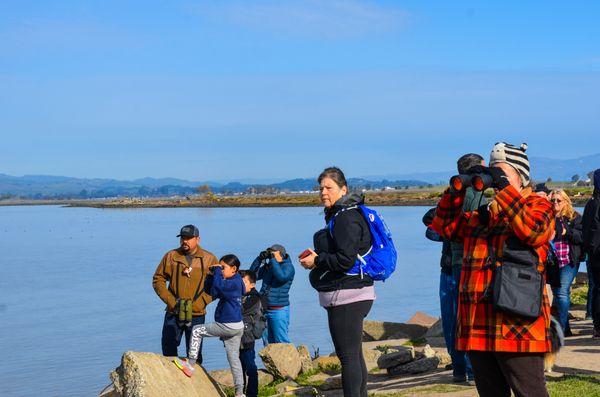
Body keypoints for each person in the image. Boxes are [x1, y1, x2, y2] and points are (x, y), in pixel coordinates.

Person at [432, 142, 554, 397]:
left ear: (521, 178)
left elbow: (534, 231)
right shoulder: (484, 215)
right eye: (492, 172)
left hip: (518, 324)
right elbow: (445, 227)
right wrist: (457, 190)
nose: (495, 179)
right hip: (478, 324)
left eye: (502, 173)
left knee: (530, 393)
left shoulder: (539, 206)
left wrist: (505, 189)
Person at [299, 167, 374, 397]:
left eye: (328, 188)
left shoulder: (345, 217)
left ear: (343, 189)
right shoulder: (343, 214)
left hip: (348, 295)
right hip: (352, 293)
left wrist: (317, 260)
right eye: (320, 188)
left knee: (348, 357)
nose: (323, 192)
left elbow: (345, 259)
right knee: (353, 354)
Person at [174, 254, 246, 397]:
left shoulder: (234, 283)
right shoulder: (234, 280)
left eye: (223, 267)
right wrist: (211, 275)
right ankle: (239, 392)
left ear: (234, 269)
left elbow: (219, 286)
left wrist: (218, 273)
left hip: (228, 325)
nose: (221, 269)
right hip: (237, 327)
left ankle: (190, 365)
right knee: (234, 359)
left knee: (196, 330)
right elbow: (212, 291)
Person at [446, 153, 486, 383]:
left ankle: (460, 369)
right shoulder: (474, 192)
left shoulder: (455, 191)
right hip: (469, 259)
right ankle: (473, 369)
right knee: (471, 315)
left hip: (456, 259)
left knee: (458, 315)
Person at [152, 224, 217, 361]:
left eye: (188, 238)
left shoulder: (209, 259)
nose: (184, 241)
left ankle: (195, 380)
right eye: (182, 238)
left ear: (198, 239)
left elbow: (217, 286)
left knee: (194, 352)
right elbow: (158, 279)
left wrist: (201, 302)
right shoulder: (171, 256)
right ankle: (172, 380)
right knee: (168, 348)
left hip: (197, 313)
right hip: (174, 310)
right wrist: (171, 301)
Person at [549, 189, 583, 336]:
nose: (555, 203)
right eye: (553, 200)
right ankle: (565, 328)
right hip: (553, 261)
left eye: (558, 200)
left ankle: (560, 330)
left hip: (569, 261)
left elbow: (581, 237)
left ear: (565, 202)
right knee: (558, 293)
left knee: (562, 292)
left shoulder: (574, 217)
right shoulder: (547, 216)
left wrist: (566, 232)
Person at [249, 244, 294, 344]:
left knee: (281, 341)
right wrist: (259, 259)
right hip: (263, 309)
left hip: (278, 310)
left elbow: (281, 277)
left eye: (273, 253)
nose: (271, 255)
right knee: (267, 342)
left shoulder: (289, 267)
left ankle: (287, 360)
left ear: (281, 254)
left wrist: (273, 260)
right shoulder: (268, 267)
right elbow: (251, 276)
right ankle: (270, 360)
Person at [583, 169, 600, 338]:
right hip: (596, 252)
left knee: (596, 288)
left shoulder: (590, 203)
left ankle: (596, 324)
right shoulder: (596, 204)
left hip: (592, 253)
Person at [239, 270, 261, 397]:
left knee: (251, 368)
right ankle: (240, 392)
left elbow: (242, 311)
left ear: (252, 284)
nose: (241, 285)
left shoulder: (254, 297)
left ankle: (252, 394)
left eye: (244, 282)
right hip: (234, 338)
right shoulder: (238, 295)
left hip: (247, 337)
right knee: (238, 369)